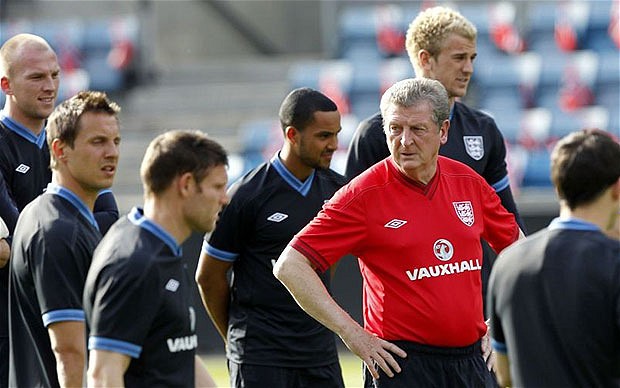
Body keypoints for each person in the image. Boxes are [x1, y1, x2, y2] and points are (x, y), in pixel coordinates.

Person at [274, 78, 524, 388]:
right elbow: (290, 266)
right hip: (401, 367)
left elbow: (521, 254)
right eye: (395, 129)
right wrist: (353, 335)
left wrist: (499, 323)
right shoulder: (362, 194)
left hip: (471, 364)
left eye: (417, 129)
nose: (404, 141)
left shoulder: (468, 182)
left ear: (443, 131)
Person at [344, 6, 526, 307]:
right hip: (402, 310)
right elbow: (347, 227)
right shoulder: (374, 135)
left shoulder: (483, 129)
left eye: (472, 58)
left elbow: (509, 223)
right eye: (458, 58)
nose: (468, 68)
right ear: (426, 59)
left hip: (473, 307)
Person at [196, 88, 346, 388]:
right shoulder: (246, 196)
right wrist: (239, 340)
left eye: (336, 134)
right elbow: (209, 277)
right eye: (323, 136)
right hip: (261, 356)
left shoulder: (340, 192)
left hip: (319, 352)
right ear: (292, 135)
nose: (334, 145)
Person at [0, 33, 119, 386]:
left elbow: (109, 224)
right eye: (36, 77)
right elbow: (25, 233)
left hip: (71, 310)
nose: (50, 85)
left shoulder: (69, 141)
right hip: (9, 321)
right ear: (6, 84)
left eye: (55, 75)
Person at [84, 130, 226, 387]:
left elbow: (179, 352)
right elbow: (104, 374)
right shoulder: (134, 262)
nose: (224, 199)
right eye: (217, 187)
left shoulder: (164, 248)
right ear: (186, 185)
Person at [487, 129, 620, 387]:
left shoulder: (508, 263)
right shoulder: (614, 261)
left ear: (557, 183)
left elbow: (504, 375)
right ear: (617, 187)